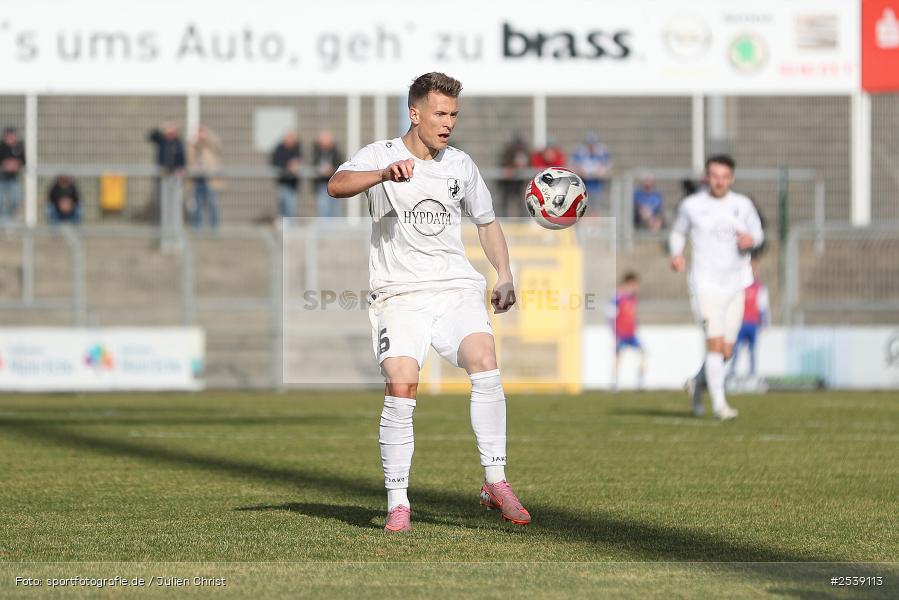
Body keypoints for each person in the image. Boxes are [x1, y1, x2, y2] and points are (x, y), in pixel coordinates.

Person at [328, 72, 529, 533]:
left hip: (455, 287)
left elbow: (487, 221)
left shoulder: (461, 165)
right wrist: (381, 174)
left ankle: (495, 480)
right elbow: (335, 186)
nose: (448, 123)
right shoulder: (379, 156)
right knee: (402, 384)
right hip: (399, 294)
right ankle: (398, 501)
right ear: (415, 113)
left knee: (484, 359)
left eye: (454, 114)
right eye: (440, 113)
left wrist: (504, 274)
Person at [669, 154, 764, 421]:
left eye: (724, 177)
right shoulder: (692, 205)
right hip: (705, 284)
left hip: (736, 284)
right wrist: (677, 253)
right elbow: (678, 232)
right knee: (714, 344)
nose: (719, 181)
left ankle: (696, 384)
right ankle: (720, 406)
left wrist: (751, 238)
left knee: (726, 351)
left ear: (731, 178)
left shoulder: (743, 205)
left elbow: (758, 232)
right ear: (707, 177)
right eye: (714, 176)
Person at [728, 257, 769, 381]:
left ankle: (752, 374)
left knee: (752, 350)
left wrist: (765, 323)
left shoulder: (759, 288)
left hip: (753, 323)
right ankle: (732, 372)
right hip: (740, 323)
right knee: (736, 349)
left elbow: (763, 306)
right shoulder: (739, 286)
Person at [148, 122, 186, 241]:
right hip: (163, 177)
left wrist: (180, 170)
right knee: (163, 201)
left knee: (174, 201)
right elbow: (151, 136)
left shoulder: (178, 143)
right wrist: (160, 128)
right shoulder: (162, 141)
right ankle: (164, 226)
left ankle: (174, 227)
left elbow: (182, 159)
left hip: (174, 178)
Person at [611, 272, 645, 390]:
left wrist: (636, 326)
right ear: (628, 283)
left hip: (631, 334)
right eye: (634, 284)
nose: (636, 287)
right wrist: (614, 333)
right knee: (618, 358)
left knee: (642, 353)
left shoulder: (633, 298)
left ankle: (640, 383)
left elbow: (633, 315)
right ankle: (614, 384)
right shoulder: (618, 297)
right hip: (621, 333)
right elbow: (611, 316)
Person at [187, 125, 224, 229]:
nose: (201, 135)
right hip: (197, 179)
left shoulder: (211, 145)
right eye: (199, 133)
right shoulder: (193, 146)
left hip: (210, 180)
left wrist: (208, 138)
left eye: (202, 133)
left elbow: (217, 144)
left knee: (213, 205)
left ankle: (214, 228)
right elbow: (189, 159)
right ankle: (197, 227)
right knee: (197, 205)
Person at [571, 132, 611, 209]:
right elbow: (574, 164)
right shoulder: (580, 152)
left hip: (597, 183)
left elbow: (607, 164)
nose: (591, 146)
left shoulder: (601, 152)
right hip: (584, 182)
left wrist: (602, 170)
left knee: (597, 205)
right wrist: (580, 170)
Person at [312, 130, 343, 219]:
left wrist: (331, 170)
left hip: (335, 184)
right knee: (323, 208)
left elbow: (340, 165)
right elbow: (313, 164)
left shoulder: (336, 151)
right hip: (322, 184)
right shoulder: (316, 151)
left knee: (335, 209)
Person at [498, 133, 530, 217]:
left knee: (522, 201)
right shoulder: (508, 152)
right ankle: (504, 217)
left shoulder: (525, 152)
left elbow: (529, 165)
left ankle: (523, 217)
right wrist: (511, 168)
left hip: (520, 181)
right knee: (506, 200)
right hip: (508, 182)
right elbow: (503, 165)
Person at [271, 131, 302, 218]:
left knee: (291, 206)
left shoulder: (296, 148)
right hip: (283, 182)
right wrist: (287, 165)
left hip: (293, 183)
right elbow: (275, 162)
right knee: (283, 204)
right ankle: (284, 224)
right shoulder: (279, 148)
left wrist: (296, 165)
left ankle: (290, 226)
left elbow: (299, 160)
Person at [0, 127, 26, 223]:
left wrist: (17, 164)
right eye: (9, 135)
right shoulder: (1, 146)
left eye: (13, 135)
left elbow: (23, 161)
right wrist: (4, 164)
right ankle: (3, 222)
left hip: (13, 180)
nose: (11, 138)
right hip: (1, 179)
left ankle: (8, 220)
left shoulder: (19, 146)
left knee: (15, 200)